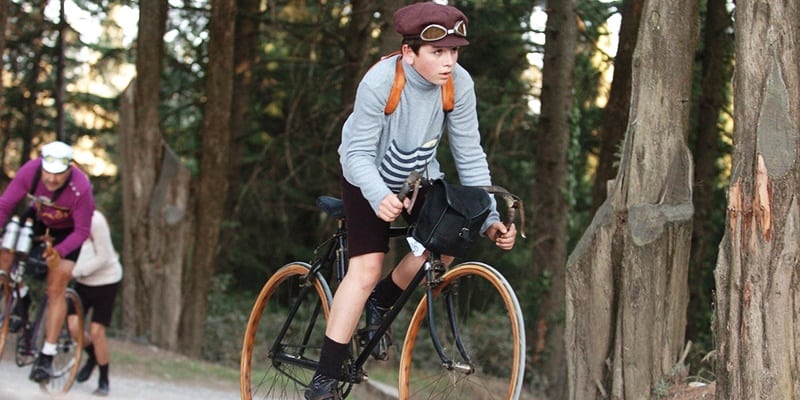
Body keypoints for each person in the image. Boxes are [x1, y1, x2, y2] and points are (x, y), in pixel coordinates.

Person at [304, 2, 518, 399]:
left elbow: (470, 155)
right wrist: (378, 195)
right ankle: (323, 380)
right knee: (366, 268)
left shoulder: (459, 84)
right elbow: (356, 155)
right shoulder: (379, 82)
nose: (448, 61)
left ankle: (382, 300)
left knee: (453, 234)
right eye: (438, 51)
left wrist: (489, 217)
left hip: (418, 179)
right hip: (365, 175)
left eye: (454, 51)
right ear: (409, 52)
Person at [0, 140, 95, 383]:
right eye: (48, 173)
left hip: (68, 233)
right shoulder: (30, 171)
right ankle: (19, 293)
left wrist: (59, 252)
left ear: (69, 169)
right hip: (39, 218)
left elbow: (82, 231)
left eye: (58, 174)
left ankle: (47, 354)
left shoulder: (81, 188)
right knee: (6, 250)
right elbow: (5, 205)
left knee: (56, 287)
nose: (51, 179)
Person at [68, 209, 123, 396]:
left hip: (106, 281)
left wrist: (75, 272)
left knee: (97, 332)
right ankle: (92, 355)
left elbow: (104, 257)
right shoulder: (65, 219)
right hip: (83, 282)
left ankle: (104, 379)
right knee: (73, 327)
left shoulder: (96, 221)